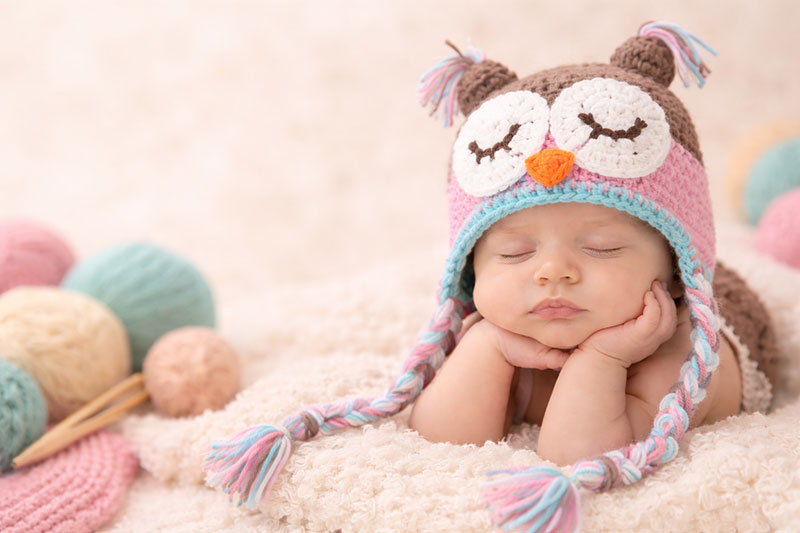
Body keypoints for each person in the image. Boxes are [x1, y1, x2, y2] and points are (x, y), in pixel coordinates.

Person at [206, 22, 779, 531]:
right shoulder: (502, 327)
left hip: (713, 315)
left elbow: (577, 453)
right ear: (469, 269)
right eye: (512, 254)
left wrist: (603, 358)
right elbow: (442, 437)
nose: (553, 271)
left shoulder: (675, 352)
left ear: (678, 270)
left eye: (601, 247)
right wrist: (486, 344)